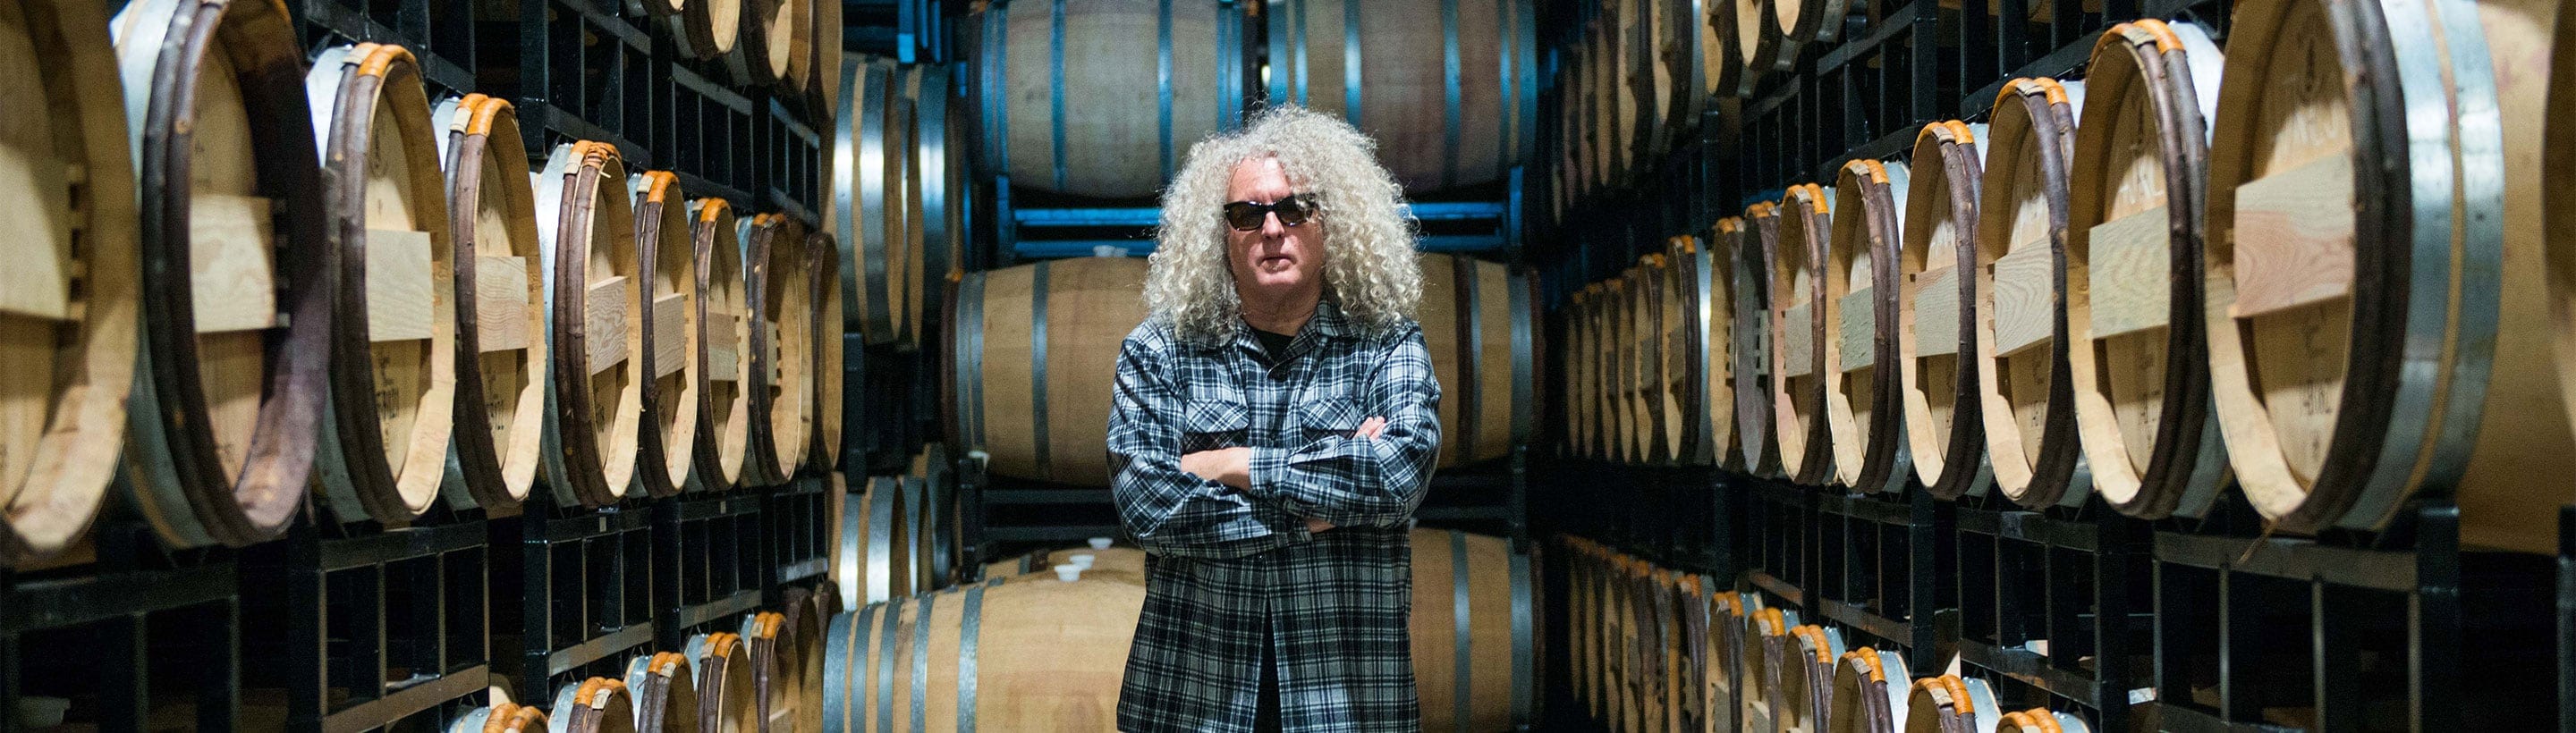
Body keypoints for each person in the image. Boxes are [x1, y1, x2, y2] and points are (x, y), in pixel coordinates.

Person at [1106, 105, 1443, 732]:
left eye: (1294, 209)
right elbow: (1147, 505)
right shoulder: (1158, 352)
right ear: (1219, 234)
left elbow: (1397, 476)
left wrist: (1235, 465)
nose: (1271, 229)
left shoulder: (1386, 344)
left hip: (1345, 705)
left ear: (1331, 221)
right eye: (1246, 213)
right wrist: (1317, 515)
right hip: (1194, 703)